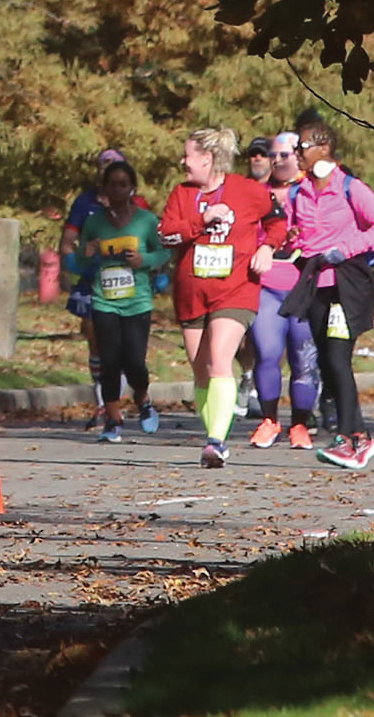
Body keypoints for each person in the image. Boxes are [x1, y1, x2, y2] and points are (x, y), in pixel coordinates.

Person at [159, 127, 285, 468]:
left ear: (208, 158)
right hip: (191, 292)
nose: (183, 161)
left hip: (236, 288)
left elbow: (278, 222)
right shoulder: (181, 194)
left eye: (188, 155)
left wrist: (267, 248)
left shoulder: (247, 191)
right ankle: (213, 432)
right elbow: (166, 236)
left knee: (219, 359)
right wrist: (201, 221)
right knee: (201, 370)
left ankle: (217, 442)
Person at [282, 122, 374, 469]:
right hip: (315, 283)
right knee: (326, 360)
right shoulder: (297, 193)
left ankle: (348, 437)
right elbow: (294, 236)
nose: (296, 154)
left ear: (324, 147)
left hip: (345, 282)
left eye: (301, 147)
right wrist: (295, 245)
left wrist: (345, 249)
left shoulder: (349, 187)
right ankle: (360, 436)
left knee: (337, 358)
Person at [72, 159, 167, 442]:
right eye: (112, 184)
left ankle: (143, 397)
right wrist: (85, 252)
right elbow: (77, 258)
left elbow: (164, 254)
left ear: (132, 188)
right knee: (110, 361)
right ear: (104, 189)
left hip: (138, 301)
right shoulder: (94, 222)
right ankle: (113, 420)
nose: (117, 189)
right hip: (105, 301)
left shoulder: (146, 221)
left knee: (135, 361)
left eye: (123, 184)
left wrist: (144, 260)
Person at [248, 132, 322, 449]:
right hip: (266, 286)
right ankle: (269, 421)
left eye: (285, 154)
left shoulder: (313, 191)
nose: (278, 160)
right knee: (266, 353)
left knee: (303, 358)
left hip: (304, 286)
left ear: (299, 156)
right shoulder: (255, 193)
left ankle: (301, 425)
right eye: (273, 155)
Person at [59, 148, 136, 427]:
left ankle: (117, 396)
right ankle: (103, 401)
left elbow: (153, 239)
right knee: (94, 335)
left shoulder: (137, 204)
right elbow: (68, 238)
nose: (110, 171)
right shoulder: (85, 202)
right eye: (105, 166)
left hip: (128, 282)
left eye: (116, 166)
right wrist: (71, 260)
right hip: (93, 280)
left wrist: (156, 270)